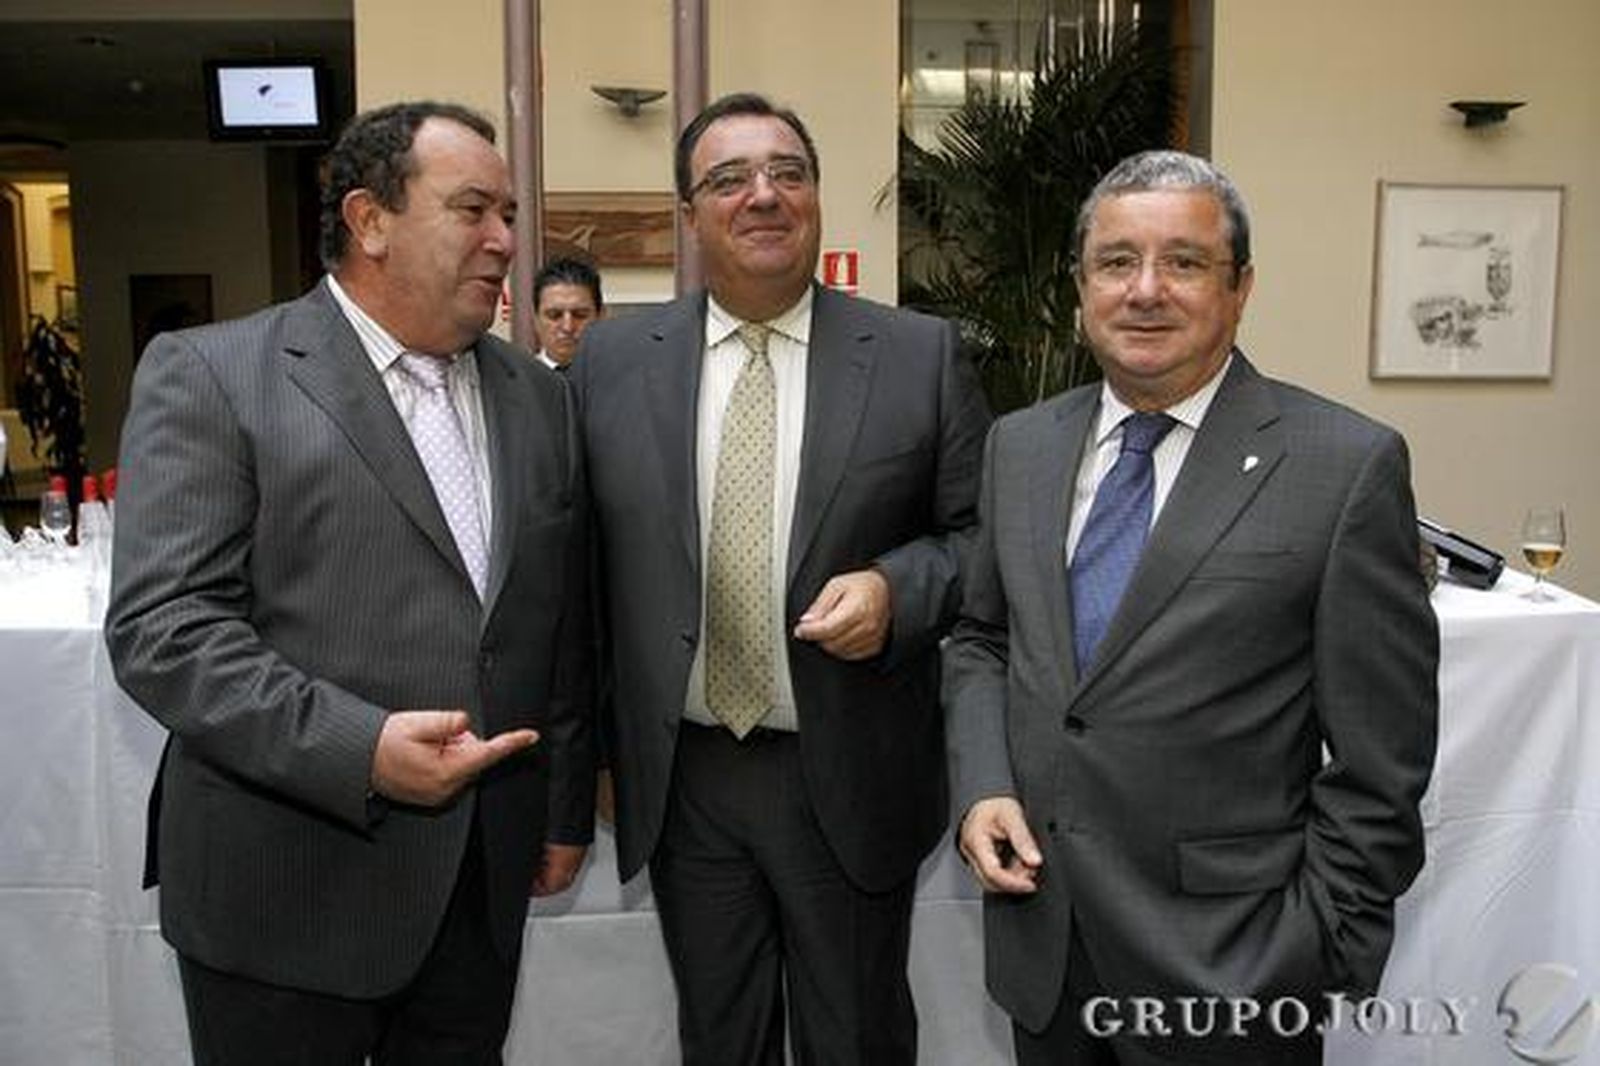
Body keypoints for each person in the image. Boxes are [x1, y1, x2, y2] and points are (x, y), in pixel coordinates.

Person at [105, 100, 594, 1066]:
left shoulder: (538, 399)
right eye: (473, 210)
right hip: (285, 890)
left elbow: (554, 618)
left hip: (476, 889)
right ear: (370, 220)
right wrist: (358, 746)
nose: (505, 241)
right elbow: (165, 629)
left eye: (509, 214)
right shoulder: (215, 373)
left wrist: (562, 805)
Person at [944, 150, 1439, 1066]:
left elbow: (1383, 763)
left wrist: (1314, 954)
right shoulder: (1021, 446)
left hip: (1235, 977)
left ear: (1240, 287)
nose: (1145, 290)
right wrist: (984, 786)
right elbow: (983, 637)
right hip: (1046, 953)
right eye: (1116, 261)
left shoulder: (1343, 465)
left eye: (1183, 262)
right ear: (1082, 284)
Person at [573, 92, 990, 1065]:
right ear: (690, 217)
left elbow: (979, 540)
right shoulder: (612, 359)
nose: (762, 195)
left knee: (857, 1034)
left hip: (846, 762)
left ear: (814, 198)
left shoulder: (918, 354)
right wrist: (589, 749)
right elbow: (580, 570)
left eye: (786, 173)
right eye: (729, 179)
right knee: (720, 1037)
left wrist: (897, 589)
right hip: (686, 775)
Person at [531, 255, 603, 371]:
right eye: (554, 315)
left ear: (600, 317)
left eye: (580, 315)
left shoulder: (627, 380)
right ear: (536, 320)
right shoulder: (516, 383)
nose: (567, 327)